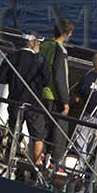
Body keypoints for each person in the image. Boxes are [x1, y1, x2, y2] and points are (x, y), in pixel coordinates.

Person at [0, 33, 50, 167]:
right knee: (38, 136)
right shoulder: (40, 61)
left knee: (14, 131)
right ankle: (36, 165)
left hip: (15, 101)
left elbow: (0, 78)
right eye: (38, 43)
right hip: (34, 104)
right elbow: (46, 82)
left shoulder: (12, 57)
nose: (39, 46)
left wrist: (13, 80)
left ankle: (9, 159)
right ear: (32, 44)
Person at [38, 19, 74, 172]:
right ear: (66, 34)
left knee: (43, 126)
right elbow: (60, 77)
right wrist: (65, 101)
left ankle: (41, 156)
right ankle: (55, 162)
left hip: (41, 93)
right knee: (60, 129)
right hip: (54, 96)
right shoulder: (61, 50)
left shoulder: (44, 46)